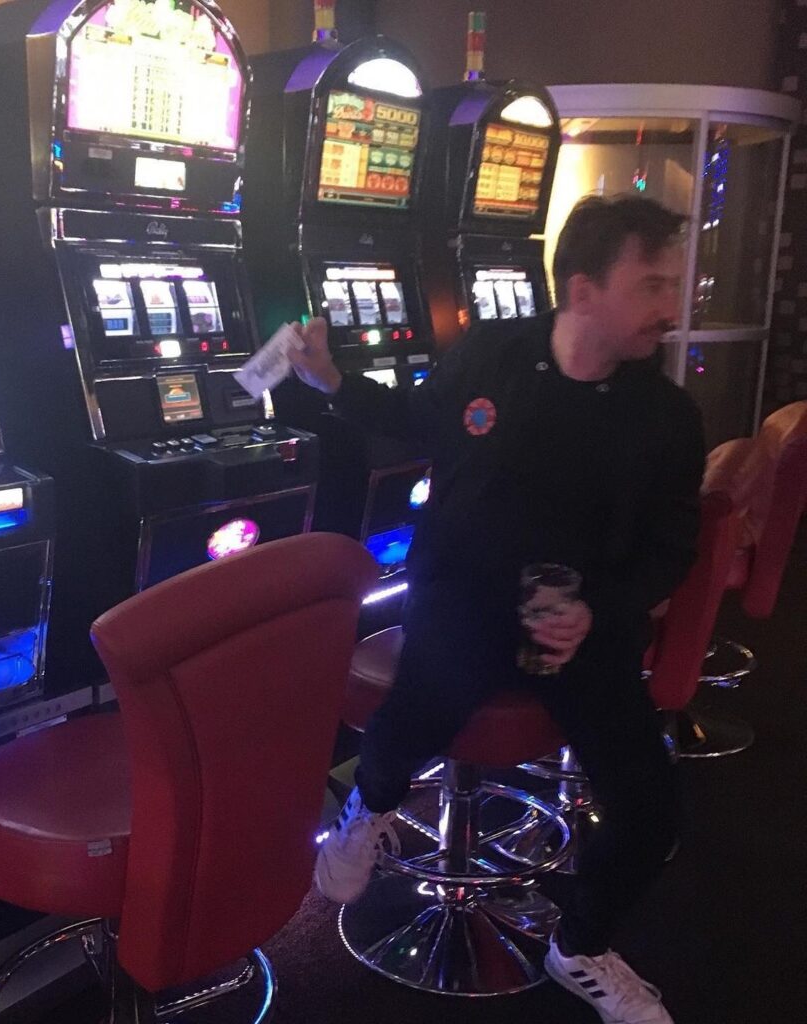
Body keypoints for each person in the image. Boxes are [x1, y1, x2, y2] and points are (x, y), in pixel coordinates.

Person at [290, 195, 705, 1024]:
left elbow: (672, 547)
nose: (672, 306)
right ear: (583, 291)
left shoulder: (666, 414)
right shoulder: (491, 354)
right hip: (463, 597)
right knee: (417, 710)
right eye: (652, 285)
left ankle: (580, 945)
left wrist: (600, 610)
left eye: (672, 284)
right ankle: (369, 808)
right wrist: (331, 380)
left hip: (581, 625)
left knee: (652, 810)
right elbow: (417, 420)